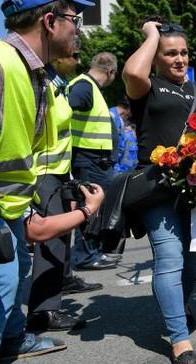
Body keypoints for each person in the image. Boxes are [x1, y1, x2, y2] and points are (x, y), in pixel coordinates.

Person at [122, 16, 196, 364]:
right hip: (158, 187)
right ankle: (179, 336)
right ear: (156, 57)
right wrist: (152, 34)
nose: (180, 59)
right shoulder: (147, 86)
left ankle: (179, 303)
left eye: (184, 53)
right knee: (170, 257)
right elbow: (133, 73)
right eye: (170, 54)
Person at [0, 0, 93, 360]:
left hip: (12, 207)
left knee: (17, 273)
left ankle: (12, 340)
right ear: (50, 22)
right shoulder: (0, 63)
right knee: (4, 286)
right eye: (74, 19)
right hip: (0, 209)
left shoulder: (34, 72)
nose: (78, 28)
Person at [26, 47, 102, 333]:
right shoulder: (44, 81)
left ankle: (48, 303)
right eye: (75, 54)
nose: (79, 60)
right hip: (42, 172)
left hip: (57, 172)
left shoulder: (57, 82)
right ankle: (42, 313)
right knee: (51, 240)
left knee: (58, 239)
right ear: (57, 57)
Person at [68, 51, 120, 270]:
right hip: (89, 161)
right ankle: (86, 256)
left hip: (94, 161)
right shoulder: (84, 86)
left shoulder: (89, 86)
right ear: (110, 72)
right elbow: (65, 108)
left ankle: (93, 253)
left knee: (97, 208)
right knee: (91, 208)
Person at [111, 97, 138, 175]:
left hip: (119, 168)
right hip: (114, 167)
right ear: (128, 109)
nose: (130, 115)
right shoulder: (112, 116)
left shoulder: (118, 119)